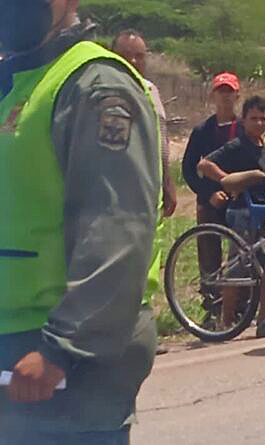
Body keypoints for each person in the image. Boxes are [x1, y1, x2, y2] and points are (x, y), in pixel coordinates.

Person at [0, 0, 161, 442]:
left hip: (61, 356)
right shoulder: (17, 82)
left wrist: (60, 350)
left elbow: (117, 229)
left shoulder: (94, 85)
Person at [197, 96, 265, 328]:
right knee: (237, 268)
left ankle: (259, 313)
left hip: (261, 211)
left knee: (260, 265)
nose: (259, 123)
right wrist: (227, 181)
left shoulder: (264, 146)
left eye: (263, 119)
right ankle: (226, 320)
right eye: (253, 119)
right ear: (243, 120)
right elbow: (204, 165)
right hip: (242, 212)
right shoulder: (238, 145)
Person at [181, 72, 243, 282]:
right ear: (212, 96)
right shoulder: (202, 130)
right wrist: (208, 194)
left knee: (242, 254)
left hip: (239, 200)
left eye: (229, 92)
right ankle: (211, 302)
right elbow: (189, 169)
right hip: (210, 200)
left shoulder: (244, 128)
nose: (225, 97)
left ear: (237, 96)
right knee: (208, 254)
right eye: (220, 92)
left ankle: (240, 303)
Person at [111, 28, 177, 218]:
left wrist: (167, 181)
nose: (132, 61)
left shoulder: (150, 91)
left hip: (150, 186)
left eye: (139, 56)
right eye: (125, 55)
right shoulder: (104, 92)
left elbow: (161, 139)